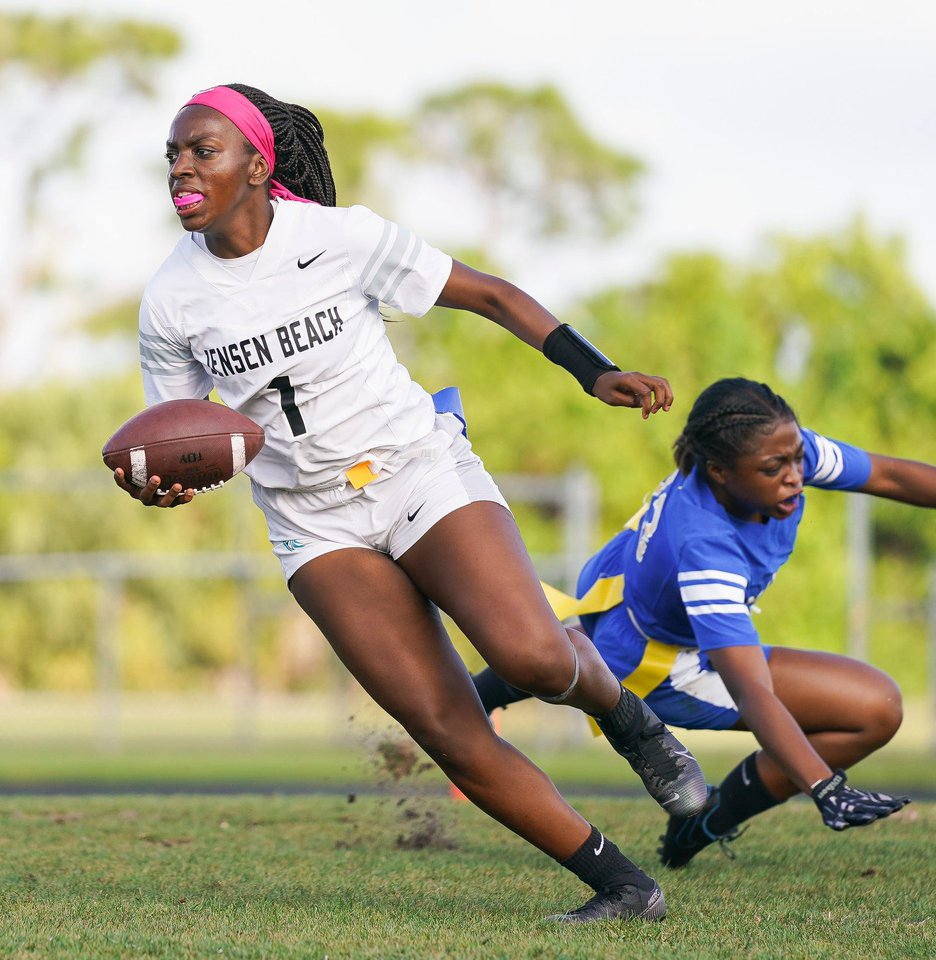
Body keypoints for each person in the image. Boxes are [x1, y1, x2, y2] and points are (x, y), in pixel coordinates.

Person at [112, 83, 710, 923]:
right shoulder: (169, 300)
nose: (180, 167)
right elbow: (182, 432)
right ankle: (623, 886)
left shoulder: (341, 236)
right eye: (171, 155)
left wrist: (593, 369)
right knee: (448, 729)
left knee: (534, 659)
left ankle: (625, 715)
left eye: (199, 150)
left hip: (413, 468)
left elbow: (494, 295)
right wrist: (163, 483)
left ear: (256, 164)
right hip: (311, 519)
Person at [473, 377, 936, 868]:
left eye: (797, 458)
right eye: (775, 469)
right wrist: (823, 785)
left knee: (874, 706)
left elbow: (889, 474)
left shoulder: (773, 451)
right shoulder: (708, 549)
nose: (796, 477)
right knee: (875, 711)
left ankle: (511, 682)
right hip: (656, 658)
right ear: (720, 473)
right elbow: (752, 689)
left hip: (617, 586)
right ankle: (691, 811)